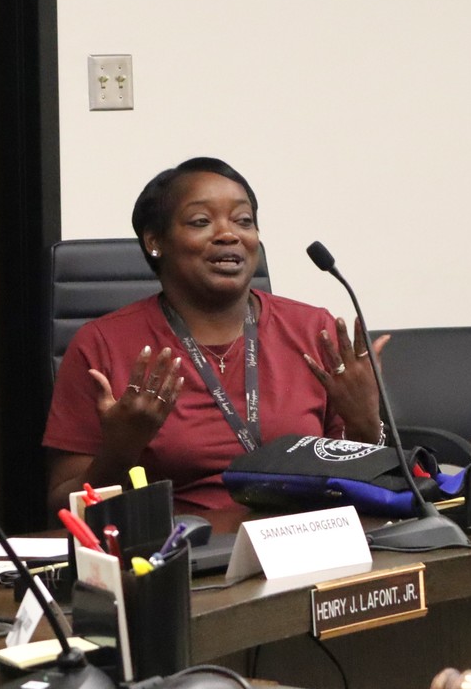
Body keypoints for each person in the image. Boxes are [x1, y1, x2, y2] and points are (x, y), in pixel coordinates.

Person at [44, 157, 388, 514]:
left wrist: (365, 424)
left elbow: (355, 486)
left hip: (305, 541)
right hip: (184, 553)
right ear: (155, 241)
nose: (229, 234)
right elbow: (61, 506)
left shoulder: (313, 330)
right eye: (201, 222)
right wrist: (120, 452)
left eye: (244, 221)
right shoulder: (103, 345)